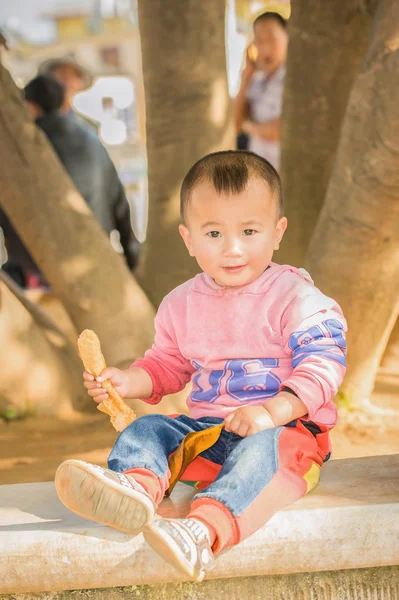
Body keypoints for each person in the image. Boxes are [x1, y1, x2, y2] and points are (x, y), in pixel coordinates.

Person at [55, 151, 347, 582]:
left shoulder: (296, 297)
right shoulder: (181, 304)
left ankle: (202, 531)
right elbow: (167, 364)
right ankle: (136, 487)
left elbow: (323, 366)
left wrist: (271, 412)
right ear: (189, 238)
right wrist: (128, 380)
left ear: (277, 232)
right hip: (209, 434)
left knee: (260, 452)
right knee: (146, 429)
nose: (232, 248)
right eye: (213, 233)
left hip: (287, 434)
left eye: (249, 231)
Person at [0, 75, 140, 287]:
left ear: (30, 105)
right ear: (63, 102)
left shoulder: (25, 148)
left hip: (42, 267)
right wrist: (131, 258)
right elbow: (120, 203)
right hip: (97, 255)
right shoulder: (92, 138)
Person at [234, 12, 288, 170]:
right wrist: (246, 77)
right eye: (259, 40)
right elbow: (236, 123)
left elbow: (279, 131)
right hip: (258, 176)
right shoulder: (257, 81)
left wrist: (248, 126)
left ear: (287, 38)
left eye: (271, 39)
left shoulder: (293, 81)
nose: (265, 48)